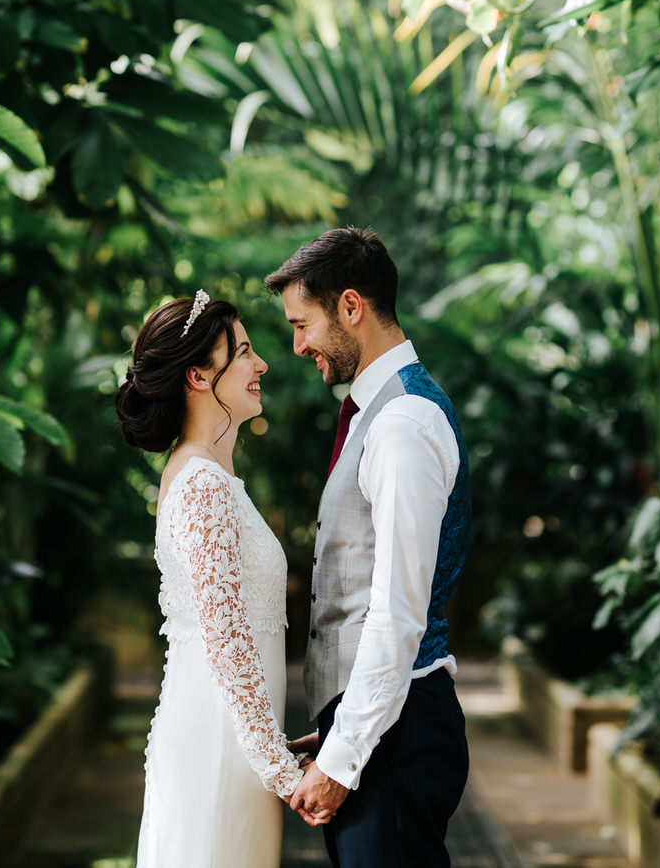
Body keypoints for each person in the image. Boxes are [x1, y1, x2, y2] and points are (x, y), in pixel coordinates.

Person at [266, 227, 472, 866]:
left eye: (303, 324)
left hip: (398, 735)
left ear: (350, 306)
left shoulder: (402, 423)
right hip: (382, 725)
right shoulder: (377, 414)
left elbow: (396, 613)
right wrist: (334, 729)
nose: (297, 345)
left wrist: (344, 755)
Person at [114, 291, 322, 868]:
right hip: (216, 747)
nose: (261, 366)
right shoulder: (201, 485)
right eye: (246, 353)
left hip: (237, 747)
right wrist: (284, 773)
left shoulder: (211, 476)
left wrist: (273, 757)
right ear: (200, 376)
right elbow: (229, 645)